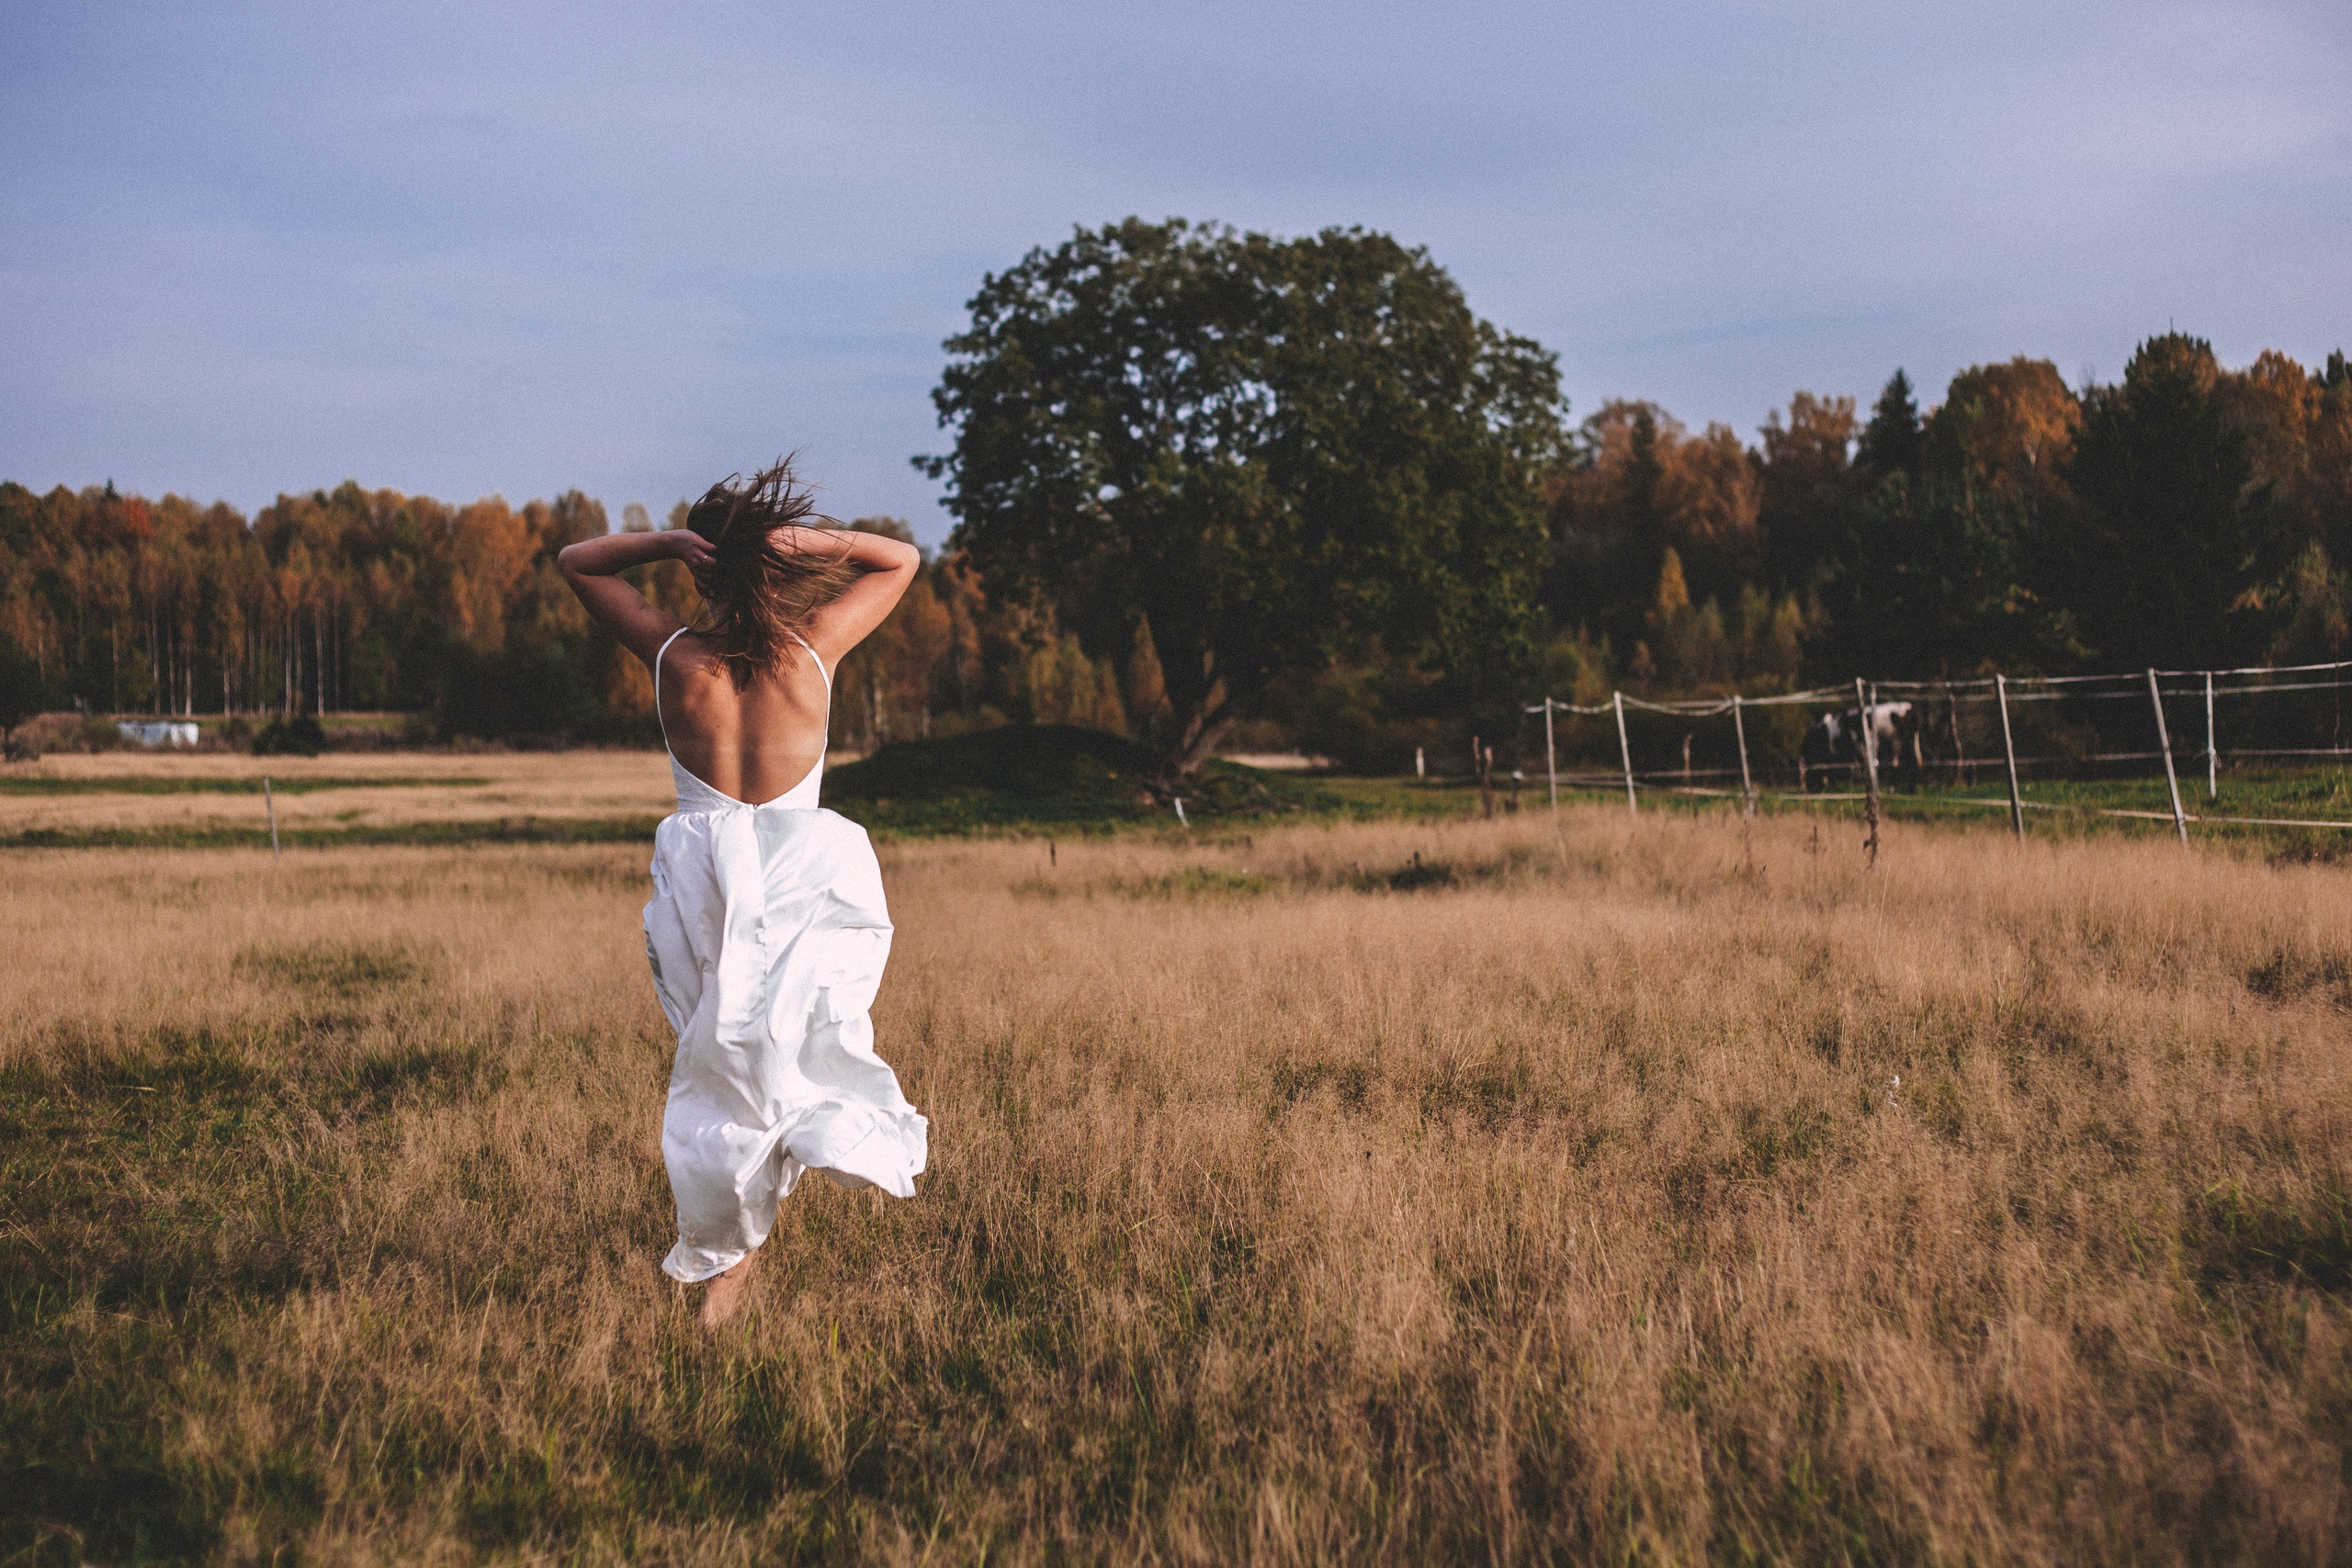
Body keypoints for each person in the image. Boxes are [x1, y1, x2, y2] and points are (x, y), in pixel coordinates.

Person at [559, 459, 929, 1328]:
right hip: (802, 877)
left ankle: (730, 1251)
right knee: (788, 1064)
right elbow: (902, 560)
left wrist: (661, 542)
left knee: (727, 1071)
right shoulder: (814, 651)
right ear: (774, 557)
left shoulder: (675, 657)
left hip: (706, 888)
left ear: (700, 565)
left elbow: (578, 561)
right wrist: (815, 541)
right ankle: (736, 1251)